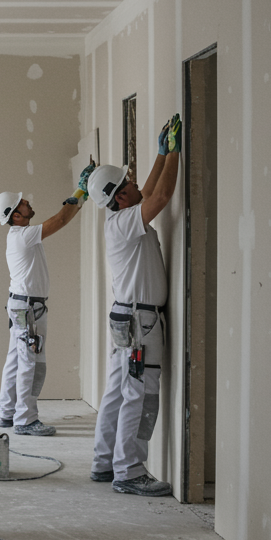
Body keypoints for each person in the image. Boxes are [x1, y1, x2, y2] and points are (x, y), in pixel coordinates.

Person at [86, 113, 181, 497]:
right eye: (127, 182)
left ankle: (104, 461)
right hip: (140, 324)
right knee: (139, 395)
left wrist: (161, 155)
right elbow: (159, 197)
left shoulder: (120, 217)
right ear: (120, 197)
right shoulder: (127, 221)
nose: (134, 183)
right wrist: (174, 155)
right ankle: (129, 471)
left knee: (116, 391)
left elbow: (147, 190)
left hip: (130, 317)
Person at [0, 163, 93, 437]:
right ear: (16, 216)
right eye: (21, 203)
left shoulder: (19, 236)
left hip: (21, 305)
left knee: (16, 359)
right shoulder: (23, 235)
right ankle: (25, 419)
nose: (26, 201)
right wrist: (80, 191)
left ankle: (7, 412)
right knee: (29, 362)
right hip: (28, 308)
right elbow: (59, 221)